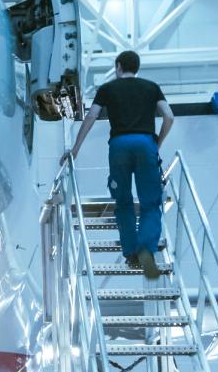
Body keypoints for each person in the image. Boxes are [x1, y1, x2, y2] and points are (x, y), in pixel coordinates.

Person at [64, 50, 174, 280]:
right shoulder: (151, 87)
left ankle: (130, 252)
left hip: (119, 145)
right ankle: (146, 248)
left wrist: (76, 148)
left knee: (123, 201)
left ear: (118, 66)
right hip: (145, 143)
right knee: (151, 202)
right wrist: (158, 142)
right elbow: (169, 117)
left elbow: (91, 116)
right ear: (137, 68)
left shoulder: (107, 89)